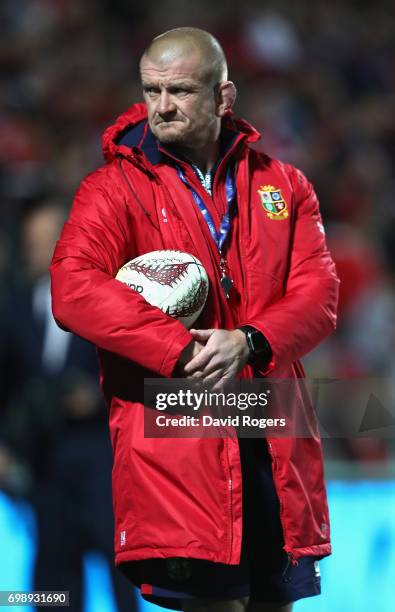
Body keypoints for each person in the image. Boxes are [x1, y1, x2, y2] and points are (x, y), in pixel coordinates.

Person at [50, 27, 339, 612]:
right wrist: (180, 350)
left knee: (271, 605)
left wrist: (251, 341)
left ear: (223, 97)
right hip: (178, 437)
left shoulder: (282, 185)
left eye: (178, 91)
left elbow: (320, 291)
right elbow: (72, 288)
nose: (160, 107)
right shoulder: (111, 189)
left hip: (272, 432)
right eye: (151, 90)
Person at [0, 201, 137, 612]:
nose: (41, 250)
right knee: (51, 590)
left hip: (104, 466)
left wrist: (97, 395)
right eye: (33, 242)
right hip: (43, 467)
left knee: (121, 577)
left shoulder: (112, 300)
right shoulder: (14, 309)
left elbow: (141, 373)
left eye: (49, 239)